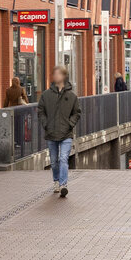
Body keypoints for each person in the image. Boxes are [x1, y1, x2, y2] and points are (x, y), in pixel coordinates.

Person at [39, 66, 80, 199]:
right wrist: (46, 124)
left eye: (58, 74)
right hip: (51, 133)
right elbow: (41, 111)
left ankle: (63, 185)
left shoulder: (72, 96)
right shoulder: (46, 95)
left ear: (64, 76)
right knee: (54, 161)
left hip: (66, 133)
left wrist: (70, 124)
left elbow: (77, 112)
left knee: (63, 158)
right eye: (54, 74)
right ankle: (56, 181)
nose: (55, 76)